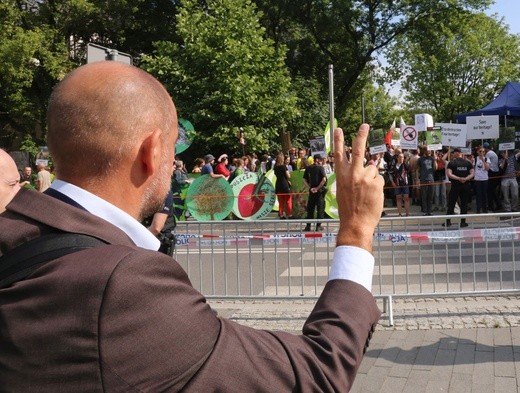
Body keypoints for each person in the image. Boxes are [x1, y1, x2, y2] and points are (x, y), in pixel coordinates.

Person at [0, 62, 382, 391]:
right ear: (152, 152)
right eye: (173, 147)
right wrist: (356, 230)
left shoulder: (14, 230)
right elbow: (315, 373)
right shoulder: (121, 285)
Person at [443, 148, 474, 228]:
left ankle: (448, 221)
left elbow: (449, 174)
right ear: (461, 153)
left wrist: (458, 178)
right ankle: (463, 222)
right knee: (464, 204)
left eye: (453, 153)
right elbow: (472, 173)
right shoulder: (468, 163)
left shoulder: (452, 163)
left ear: (456, 153)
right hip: (465, 186)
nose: (452, 154)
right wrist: (465, 178)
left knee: (451, 204)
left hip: (455, 186)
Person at [303, 154, 327, 231]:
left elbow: (304, 180)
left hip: (311, 191)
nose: (321, 161)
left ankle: (308, 226)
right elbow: (324, 179)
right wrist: (317, 188)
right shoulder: (320, 168)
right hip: (319, 192)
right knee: (320, 208)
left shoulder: (308, 168)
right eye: (320, 160)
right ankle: (318, 226)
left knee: (310, 209)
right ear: (317, 159)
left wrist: (310, 188)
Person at [498, 149, 520, 214]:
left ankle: (514, 207)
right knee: (505, 194)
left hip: (513, 178)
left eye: (505, 152)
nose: (504, 154)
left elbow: (518, 154)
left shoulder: (513, 158)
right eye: (503, 153)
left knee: (515, 194)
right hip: (505, 178)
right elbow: (501, 167)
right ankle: (507, 209)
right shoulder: (500, 160)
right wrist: (505, 159)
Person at [417, 146, 436, 216]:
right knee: (424, 196)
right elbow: (417, 170)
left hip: (431, 179)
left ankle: (430, 210)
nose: (429, 152)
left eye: (430, 151)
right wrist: (417, 180)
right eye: (428, 151)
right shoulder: (420, 159)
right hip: (423, 179)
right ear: (425, 151)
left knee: (430, 196)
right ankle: (424, 210)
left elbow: (435, 168)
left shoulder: (432, 159)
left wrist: (435, 160)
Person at [273, 153, 292, 219]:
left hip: (278, 184)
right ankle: (289, 214)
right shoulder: (284, 167)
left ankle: (281, 214)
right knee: (288, 200)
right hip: (285, 185)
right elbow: (288, 176)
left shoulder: (275, 167)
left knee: (281, 201)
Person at [390, 153, 410, 217]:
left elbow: (410, 170)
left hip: (405, 184)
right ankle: (400, 214)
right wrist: (392, 182)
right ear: (397, 158)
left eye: (402, 157)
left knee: (406, 198)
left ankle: (407, 213)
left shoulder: (405, 165)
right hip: (397, 184)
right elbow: (390, 174)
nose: (401, 158)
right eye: (400, 157)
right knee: (398, 199)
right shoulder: (394, 166)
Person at [474, 147, 490, 213]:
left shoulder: (487, 159)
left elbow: (487, 169)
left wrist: (483, 161)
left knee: (484, 194)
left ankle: (485, 209)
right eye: (480, 151)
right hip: (477, 179)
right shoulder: (475, 159)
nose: (481, 153)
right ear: (477, 152)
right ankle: (478, 209)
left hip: (484, 179)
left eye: (483, 152)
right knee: (478, 194)